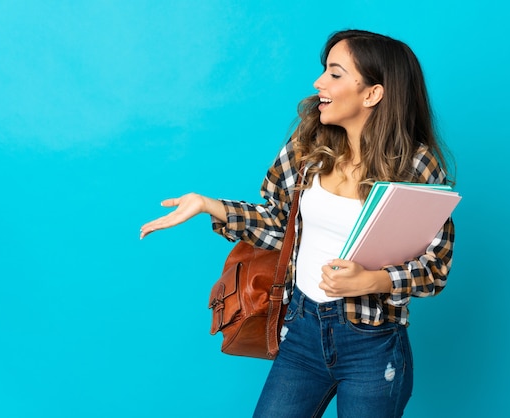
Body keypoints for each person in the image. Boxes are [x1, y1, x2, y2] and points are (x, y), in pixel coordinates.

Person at [140, 29, 455, 418]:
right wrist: (208, 206)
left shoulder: (416, 167)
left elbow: (434, 268)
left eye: (335, 74)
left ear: (372, 93)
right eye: (324, 71)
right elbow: (277, 223)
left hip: (372, 345)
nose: (318, 82)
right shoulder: (307, 147)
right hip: (301, 329)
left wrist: (370, 281)